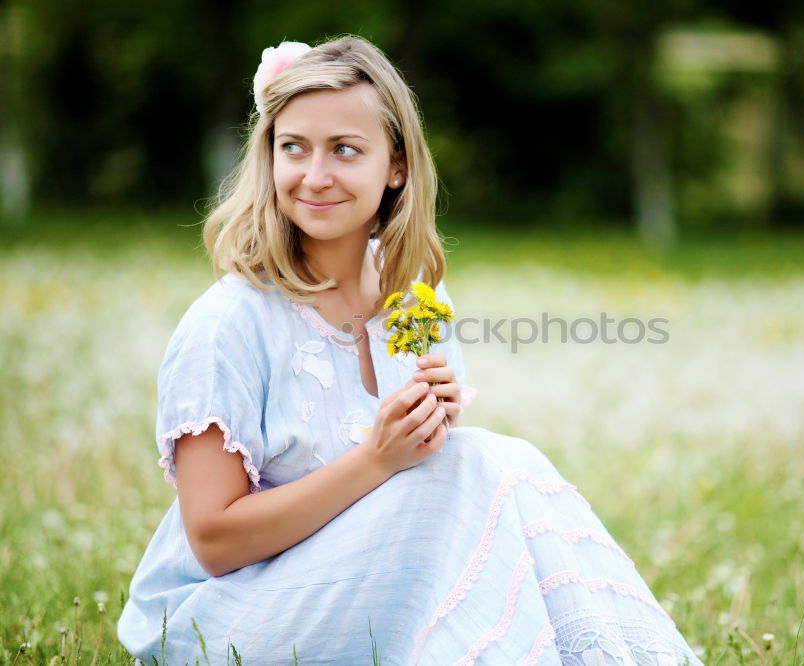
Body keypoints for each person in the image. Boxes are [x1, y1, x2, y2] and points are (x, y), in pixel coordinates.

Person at [117, 35, 703, 666]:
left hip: (355, 586)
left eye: (345, 150)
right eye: (294, 148)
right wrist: (380, 458)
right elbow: (214, 542)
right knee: (470, 465)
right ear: (270, 156)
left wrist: (431, 427)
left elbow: (421, 496)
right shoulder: (227, 324)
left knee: (490, 461)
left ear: (395, 166)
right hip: (225, 614)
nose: (315, 176)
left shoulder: (412, 291)